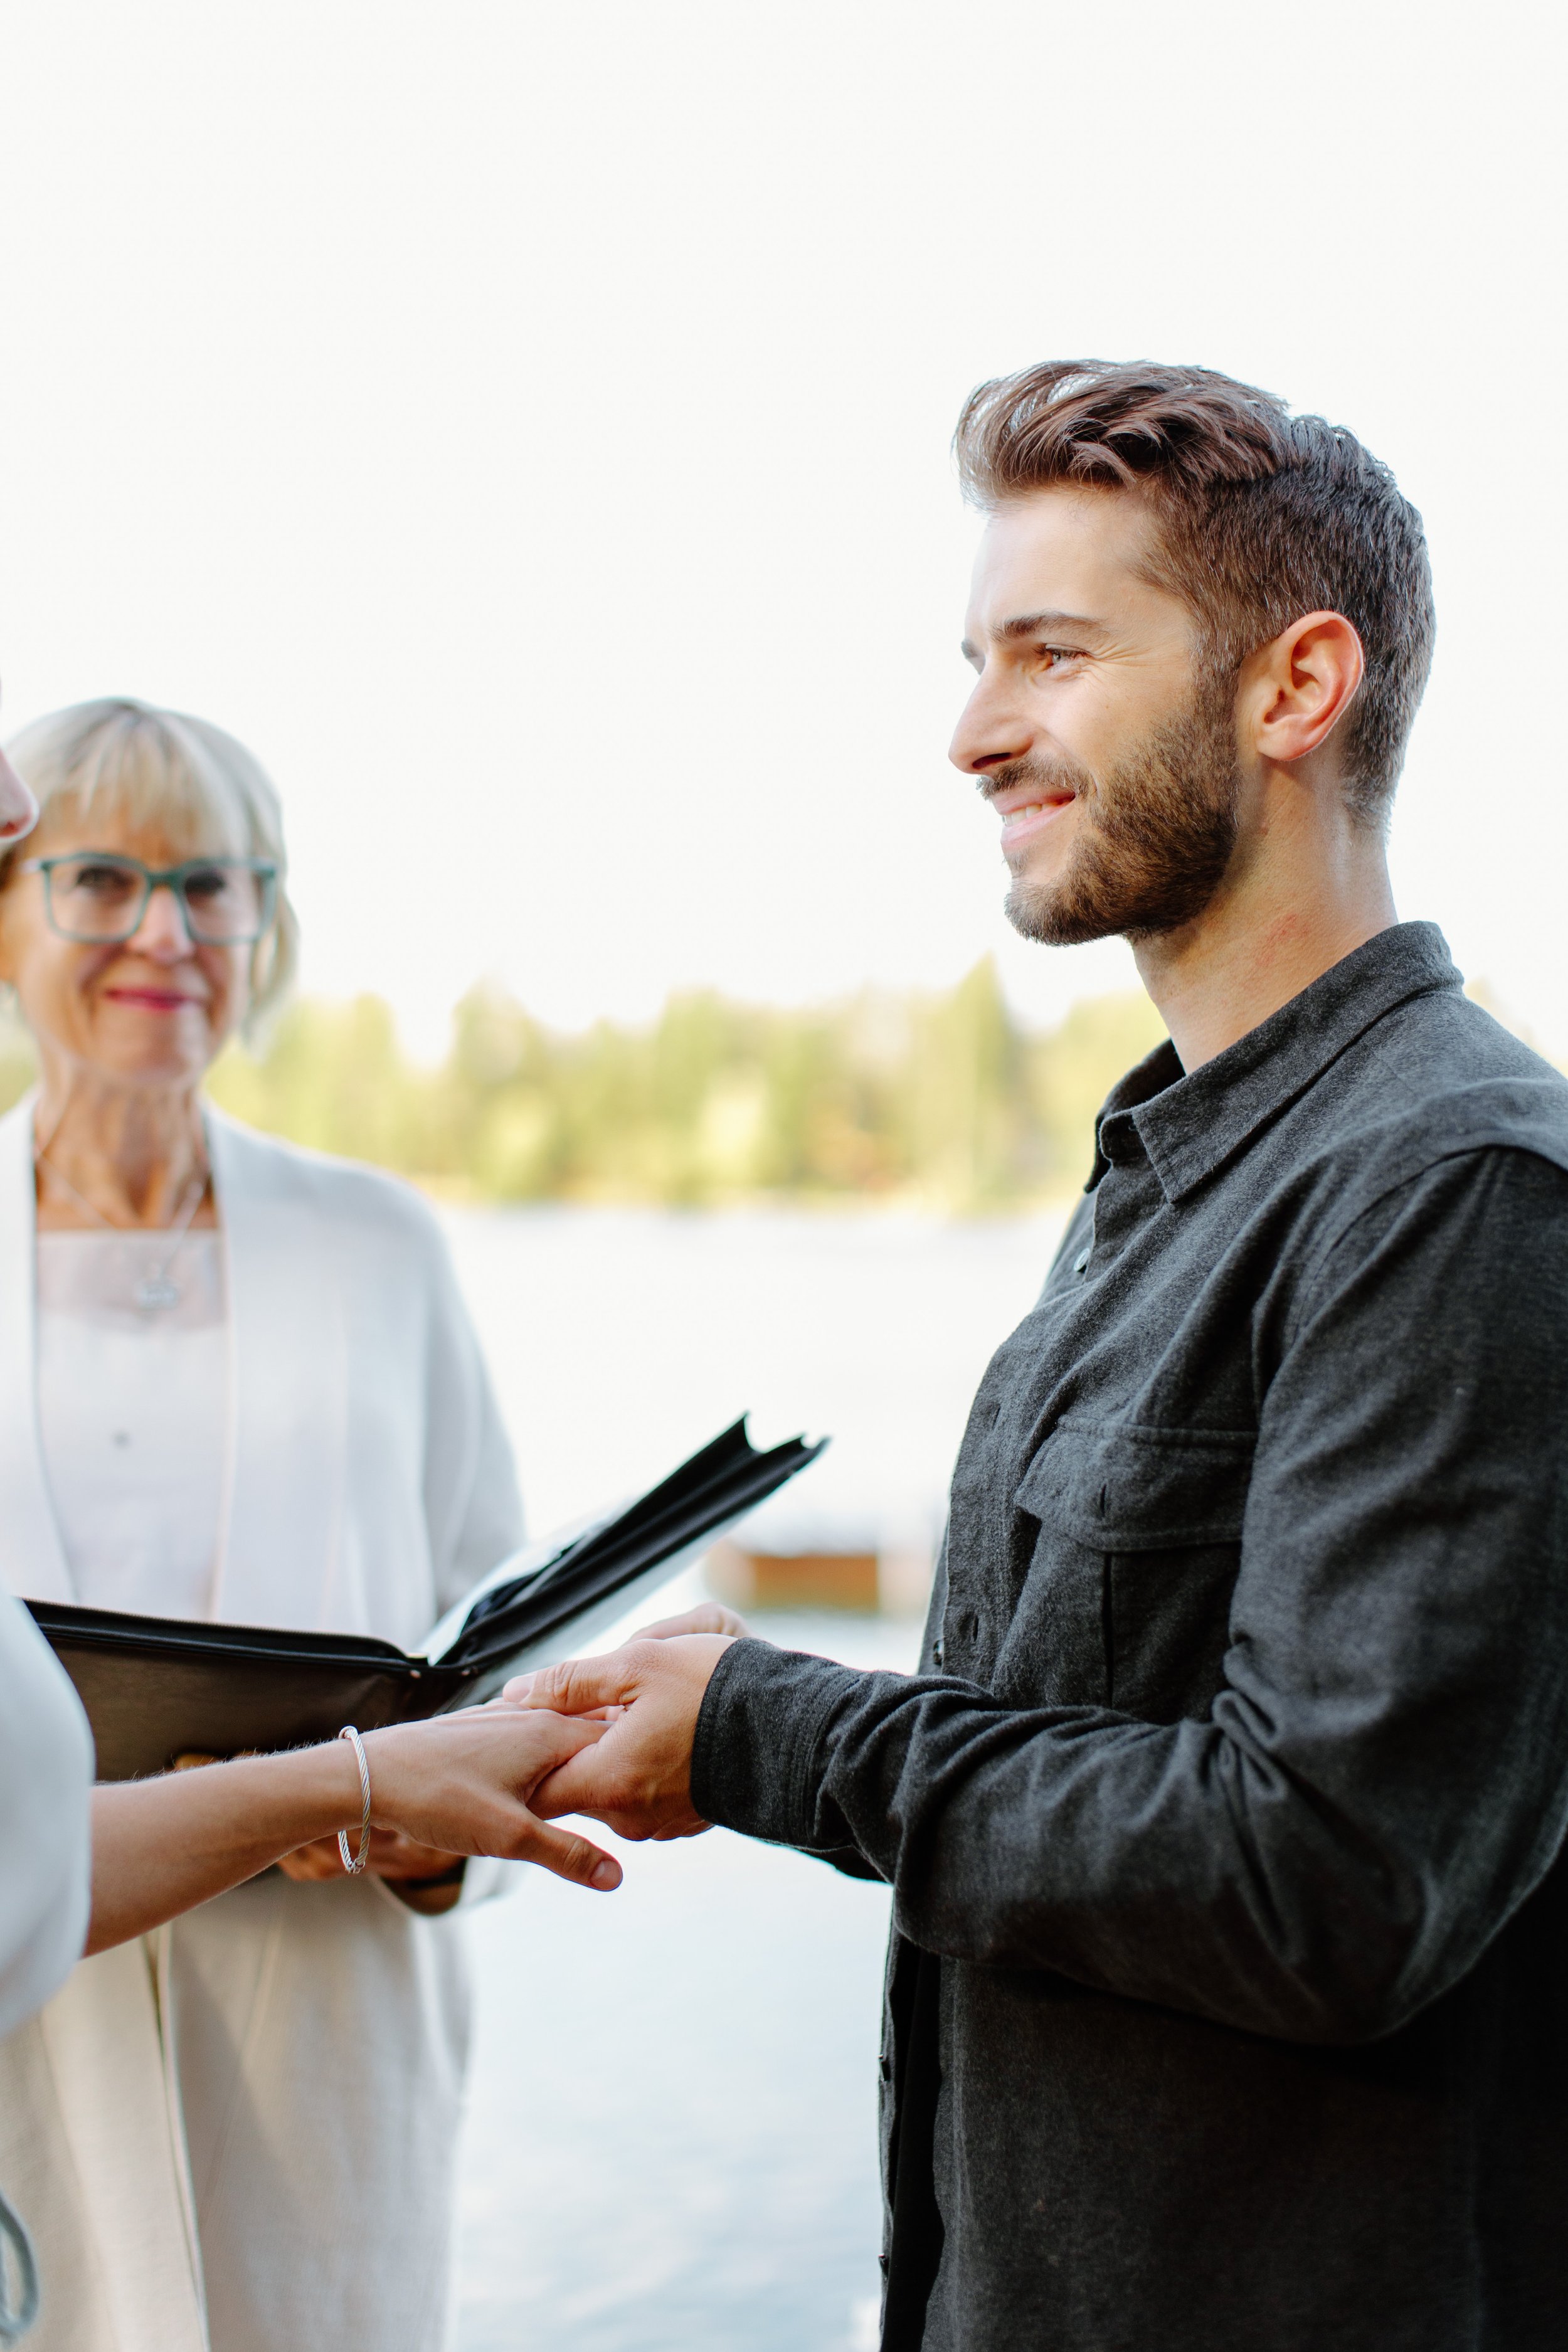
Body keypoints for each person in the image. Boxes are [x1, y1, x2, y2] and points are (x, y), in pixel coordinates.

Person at [512, 363, 1568, 2349]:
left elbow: (1325, 1881)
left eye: (1050, 654)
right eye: (976, 659)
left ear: (1291, 687)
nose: (974, 732)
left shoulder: (1455, 1186)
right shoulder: (1168, 1162)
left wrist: (764, 1733)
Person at [0, 697, 536, 2352]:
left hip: (323, 2032)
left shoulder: (379, 1247)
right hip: (32, 2032)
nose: (166, 931)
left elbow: (493, 1637)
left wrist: (437, 1844)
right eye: (101, 877)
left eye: (215, 885)